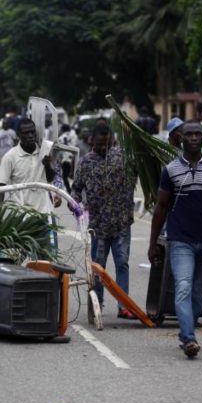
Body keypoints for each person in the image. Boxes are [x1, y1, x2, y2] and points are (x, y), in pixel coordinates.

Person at [148, 121, 202, 359]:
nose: (195, 138)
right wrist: (153, 241)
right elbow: (161, 207)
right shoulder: (171, 170)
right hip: (179, 241)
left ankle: (186, 332)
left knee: (199, 295)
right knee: (184, 288)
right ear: (181, 138)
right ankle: (189, 338)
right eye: (190, 134)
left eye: (198, 134)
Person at [71, 125, 137, 319]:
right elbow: (75, 189)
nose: (102, 148)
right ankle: (96, 303)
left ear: (113, 140)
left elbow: (140, 172)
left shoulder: (124, 158)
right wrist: (77, 207)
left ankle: (124, 305)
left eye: (106, 144)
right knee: (98, 267)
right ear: (92, 141)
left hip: (122, 222)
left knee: (122, 264)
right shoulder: (86, 162)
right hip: (98, 226)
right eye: (99, 144)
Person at [0, 117, 56, 211]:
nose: (31, 135)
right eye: (26, 133)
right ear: (18, 135)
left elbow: (50, 179)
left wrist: (47, 165)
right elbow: (0, 186)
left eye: (32, 132)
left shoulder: (44, 152)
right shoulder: (10, 157)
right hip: (21, 215)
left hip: (44, 212)